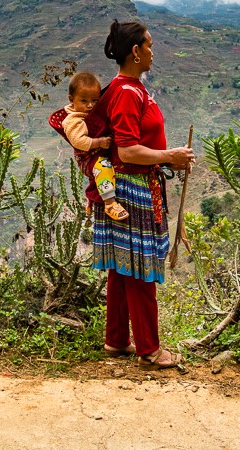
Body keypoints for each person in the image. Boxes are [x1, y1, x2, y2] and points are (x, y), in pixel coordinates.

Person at [94, 18, 195, 368]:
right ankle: (150, 349)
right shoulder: (126, 93)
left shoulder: (130, 88)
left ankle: (116, 339)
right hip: (131, 189)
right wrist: (169, 156)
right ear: (135, 52)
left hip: (128, 187)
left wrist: (171, 157)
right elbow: (126, 151)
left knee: (123, 266)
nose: (153, 51)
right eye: (149, 45)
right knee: (139, 267)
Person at [61, 71, 129, 222]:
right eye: (84, 101)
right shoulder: (72, 120)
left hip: (96, 155)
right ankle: (109, 203)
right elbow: (78, 141)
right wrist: (99, 142)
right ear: (71, 99)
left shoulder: (88, 113)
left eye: (95, 100)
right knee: (103, 167)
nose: (90, 105)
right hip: (86, 159)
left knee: (103, 171)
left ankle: (92, 200)